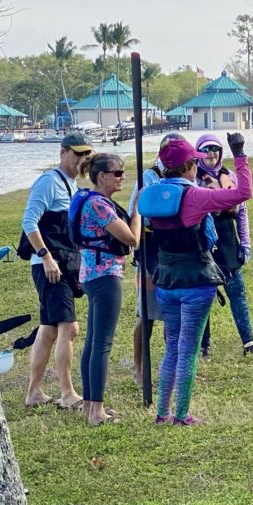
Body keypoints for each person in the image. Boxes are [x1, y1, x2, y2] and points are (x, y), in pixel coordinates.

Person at [141, 134, 253, 425]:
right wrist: (239, 155)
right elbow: (243, 194)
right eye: (195, 163)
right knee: (188, 351)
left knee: (172, 347)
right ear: (189, 165)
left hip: (166, 282)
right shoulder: (195, 196)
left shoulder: (150, 195)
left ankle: (161, 413)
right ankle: (181, 415)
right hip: (196, 281)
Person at [20, 131, 91, 409]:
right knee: (69, 328)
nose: (81, 160)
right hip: (49, 267)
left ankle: (34, 392)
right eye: (76, 154)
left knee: (48, 330)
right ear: (63, 153)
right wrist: (46, 257)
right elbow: (29, 222)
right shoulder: (48, 182)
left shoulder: (71, 185)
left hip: (66, 265)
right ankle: (67, 393)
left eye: (85, 155)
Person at [73, 153, 141, 426]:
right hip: (105, 276)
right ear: (102, 176)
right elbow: (131, 238)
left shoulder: (86, 199)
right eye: (117, 173)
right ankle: (96, 412)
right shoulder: (99, 206)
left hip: (91, 273)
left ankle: (89, 404)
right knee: (102, 343)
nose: (122, 177)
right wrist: (137, 211)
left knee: (93, 342)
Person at [195, 133, 253, 357]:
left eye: (215, 148)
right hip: (203, 243)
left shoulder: (230, 176)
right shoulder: (193, 179)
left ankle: (248, 342)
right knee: (203, 296)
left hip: (227, 241)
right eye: (205, 149)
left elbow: (242, 213)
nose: (210, 153)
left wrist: (245, 243)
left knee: (237, 293)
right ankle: (203, 347)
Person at [127, 154, 167, 386]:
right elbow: (137, 211)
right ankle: (138, 367)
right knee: (147, 314)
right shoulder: (148, 178)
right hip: (151, 252)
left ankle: (169, 366)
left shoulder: (184, 175)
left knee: (174, 314)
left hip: (175, 251)